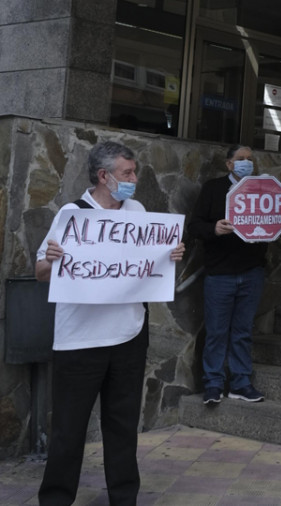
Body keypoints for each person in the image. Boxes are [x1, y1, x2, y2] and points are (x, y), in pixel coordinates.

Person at [35, 141, 186, 504]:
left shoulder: (137, 210)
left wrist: (170, 255)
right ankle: (55, 499)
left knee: (122, 426)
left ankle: (123, 497)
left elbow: (146, 263)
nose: (134, 178)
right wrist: (51, 259)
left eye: (134, 172)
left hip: (128, 337)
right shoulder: (72, 215)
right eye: (127, 173)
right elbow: (40, 271)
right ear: (104, 176)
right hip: (79, 342)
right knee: (68, 430)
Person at [188, 145, 281, 405]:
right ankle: (213, 384)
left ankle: (240, 383)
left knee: (242, 332)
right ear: (229, 164)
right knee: (216, 332)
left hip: (252, 273)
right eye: (241, 159)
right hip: (220, 274)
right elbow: (195, 226)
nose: (247, 163)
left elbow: (272, 222)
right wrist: (214, 228)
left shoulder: (264, 189)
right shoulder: (213, 189)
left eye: (250, 159)